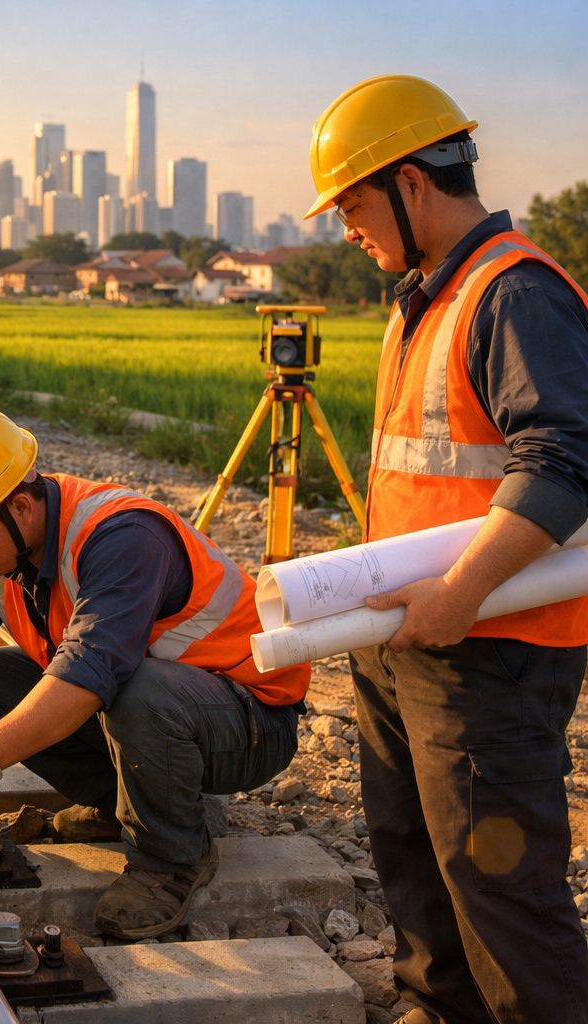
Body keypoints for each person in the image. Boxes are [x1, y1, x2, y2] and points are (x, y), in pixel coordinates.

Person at [303, 76, 588, 1024]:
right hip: (410, 633)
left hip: (492, 648)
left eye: (350, 201)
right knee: (414, 858)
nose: (345, 226)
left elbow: (563, 463)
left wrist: (462, 592)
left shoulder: (513, 292)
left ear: (412, 183)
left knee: (502, 889)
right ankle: (437, 1007)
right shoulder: (424, 297)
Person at [0, 403, 309, 940]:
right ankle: (124, 805)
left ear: (22, 507)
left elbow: (89, 673)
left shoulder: (122, 535)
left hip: (249, 717)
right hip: (160, 704)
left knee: (141, 693)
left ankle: (173, 859)